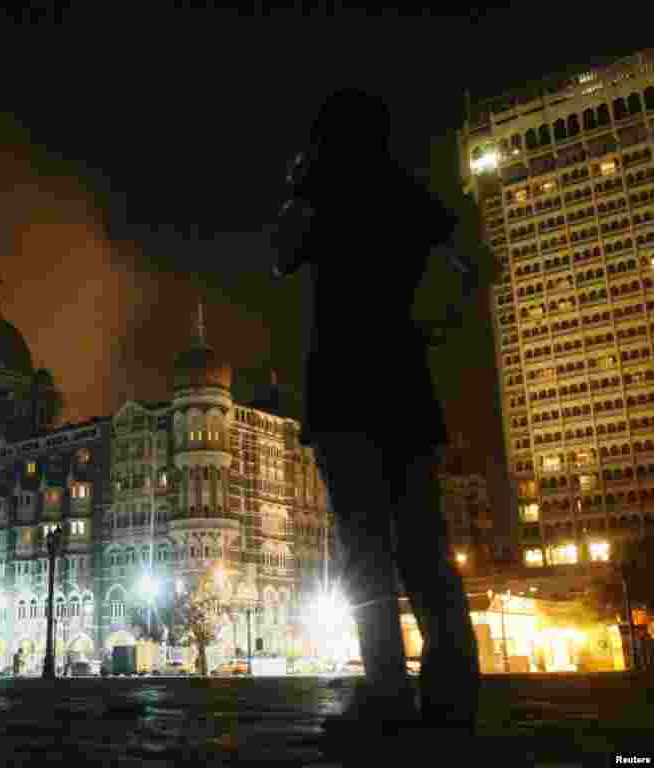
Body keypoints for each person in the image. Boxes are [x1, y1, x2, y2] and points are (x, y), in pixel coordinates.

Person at [273, 88, 480, 735]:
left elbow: (282, 253)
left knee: (365, 547)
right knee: (424, 544)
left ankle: (388, 692)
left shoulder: (319, 192)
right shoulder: (407, 193)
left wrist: (298, 184)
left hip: (343, 392)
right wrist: (432, 325)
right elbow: (471, 264)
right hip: (405, 388)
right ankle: (452, 691)